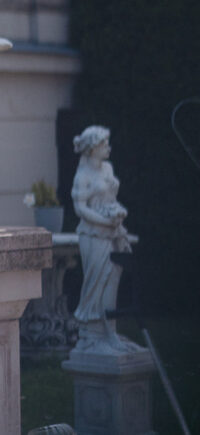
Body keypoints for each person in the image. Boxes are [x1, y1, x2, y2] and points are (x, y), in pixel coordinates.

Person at [70, 125, 137, 353]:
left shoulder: (107, 169)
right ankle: (91, 334)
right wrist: (104, 221)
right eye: (104, 144)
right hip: (92, 234)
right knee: (96, 280)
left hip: (112, 231)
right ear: (92, 149)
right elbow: (80, 209)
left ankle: (110, 332)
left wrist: (115, 216)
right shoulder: (83, 176)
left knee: (112, 279)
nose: (108, 148)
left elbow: (109, 200)